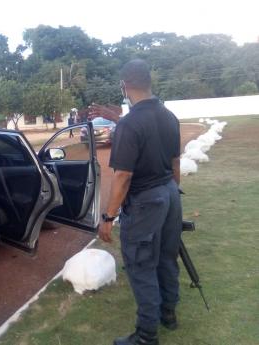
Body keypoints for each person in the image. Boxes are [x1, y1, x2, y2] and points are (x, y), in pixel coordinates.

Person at [98, 60, 182, 345]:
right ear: (149, 82)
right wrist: (172, 195)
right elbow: (175, 162)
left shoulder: (131, 124)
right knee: (167, 257)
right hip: (169, 192)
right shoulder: (168, 116)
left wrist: (108, 218)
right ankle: (168, 314)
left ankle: (147, 335)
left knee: (141, 264)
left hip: (146, 200)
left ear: (125, 85)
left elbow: (122, 176)